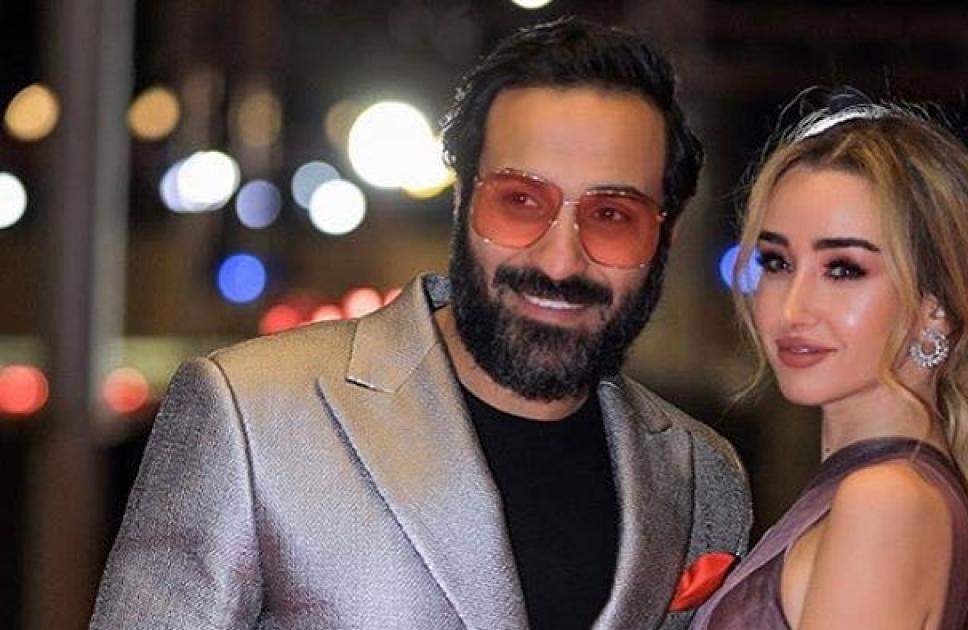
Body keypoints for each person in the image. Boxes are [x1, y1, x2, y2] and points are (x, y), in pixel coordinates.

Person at [90, 17, 752, 630]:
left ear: (665, 233)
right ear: (462, 201)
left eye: (611, 216)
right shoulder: (250, 413)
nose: (559, 260)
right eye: (520, 202)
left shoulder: (703, 474)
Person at [690, 93, 968, 630]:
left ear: (935, 306)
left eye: (843, 269)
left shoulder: (885, 500)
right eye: (776, 262)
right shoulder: (888, 489)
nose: (791, 309)